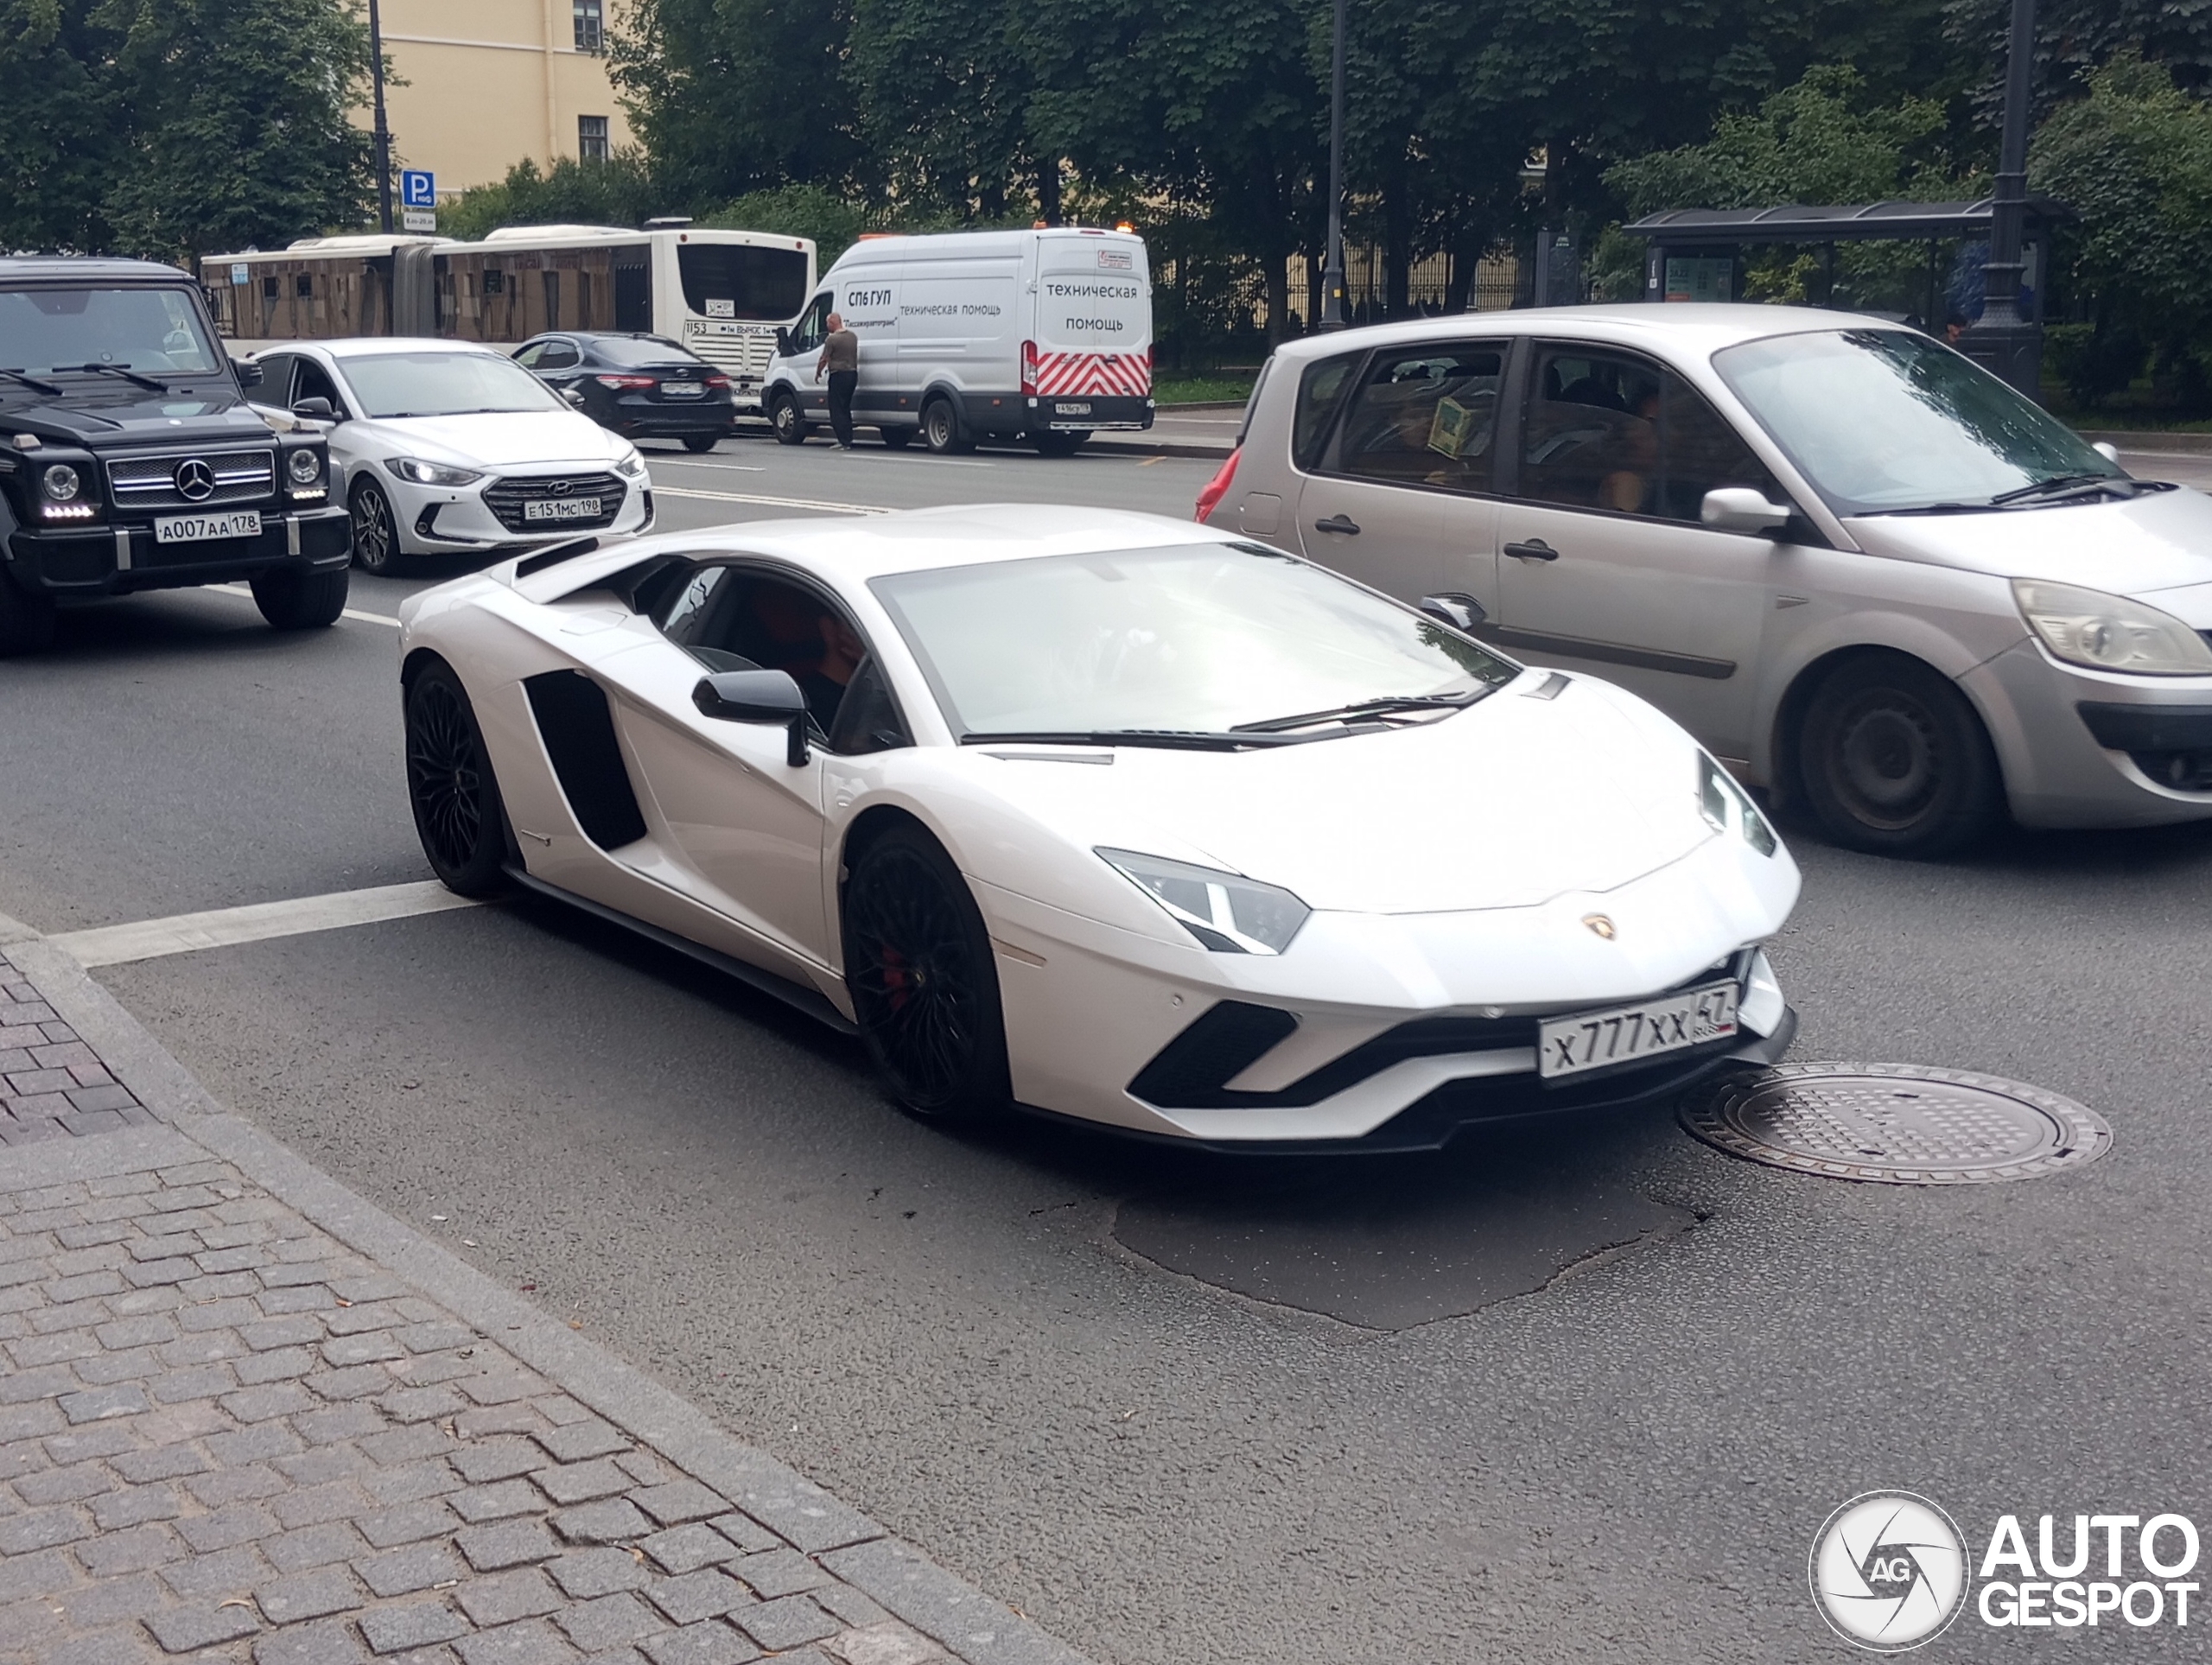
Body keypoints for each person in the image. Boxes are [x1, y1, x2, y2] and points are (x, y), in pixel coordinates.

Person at [814, 311, 860, 449]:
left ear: (832, 323)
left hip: (838, 375)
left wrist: (818, 372)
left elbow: (824, 359)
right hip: (852, 375)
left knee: (836, 409)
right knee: (845, 408)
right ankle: (848, 438)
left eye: (828, 323)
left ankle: (843, 441)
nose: (827, 325)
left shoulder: (831, 340)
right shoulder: (853, 337)